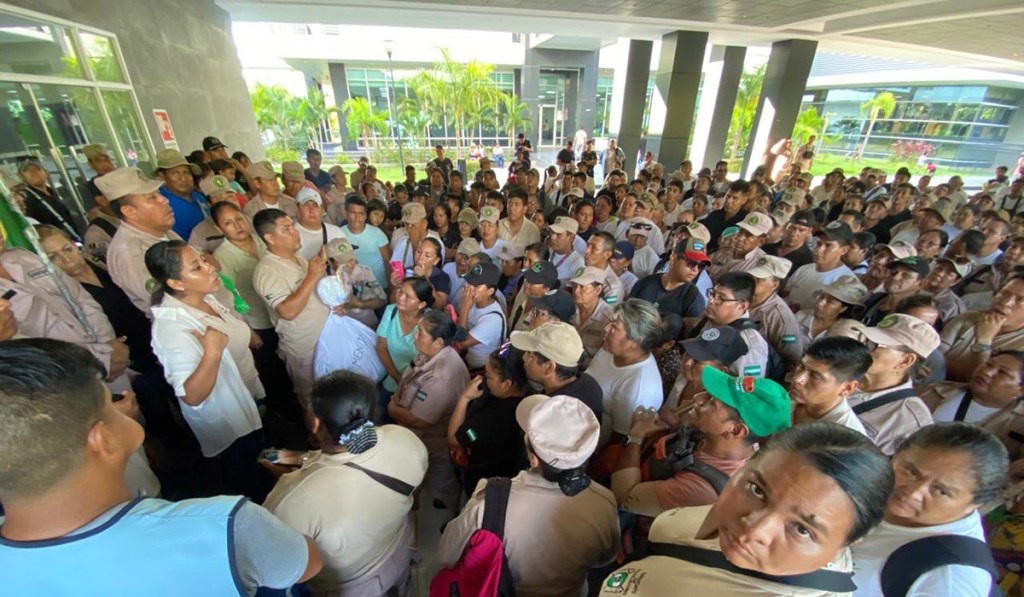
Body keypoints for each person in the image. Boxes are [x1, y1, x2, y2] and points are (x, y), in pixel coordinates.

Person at [0, 340, 323, 594]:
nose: (123, 407)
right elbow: (307, 563)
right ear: (102, 440)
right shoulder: (223, 525)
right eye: (111, 405)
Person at [599, 422, 893, 596]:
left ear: (848, 542)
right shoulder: (720, 514)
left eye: (803, 529)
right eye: (757, 490)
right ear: (744, 466)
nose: (754, 529)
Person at [437, 394, 620, 596]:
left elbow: (447, 554)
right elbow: (605, 557)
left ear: (533, 459)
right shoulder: (604, 501)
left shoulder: (491, 502)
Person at [264, 370, 425, 595]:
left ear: (315, 423)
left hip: (355, 585)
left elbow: (283, 562)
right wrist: (300, 459)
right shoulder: (404, 440)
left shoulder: (291, 499)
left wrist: (293, 476)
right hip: (400, 546)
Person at [146, 240, 270, 501]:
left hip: (246, 398)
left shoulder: (207, 297)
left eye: (203, 260)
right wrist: (212, 353)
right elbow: (191, 395)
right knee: (250, 477)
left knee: (263, 459)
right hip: (228, 420)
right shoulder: (171, 328)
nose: (209, 267)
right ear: (176, 284)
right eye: (197, 267)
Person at [611, 366, 790, 518]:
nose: (698, 399)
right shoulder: (733, 443)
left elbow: (623, 496)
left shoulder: (701, 488)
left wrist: (635, 436)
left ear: (736, 430)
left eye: (712, 403)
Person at [851, 423, 1007, 597]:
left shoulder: (950, 579)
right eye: (911, 472)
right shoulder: (871, 484)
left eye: (941, 491)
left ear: (975, 504)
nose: (914, 493)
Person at [389, 311, 469, 514]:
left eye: (421, 333)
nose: (415, 336)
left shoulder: (441, 377)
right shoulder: (429, 354)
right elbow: (409, 376)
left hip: (434, 441)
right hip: (418, 433)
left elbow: (419, 420)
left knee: (440, 482)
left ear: (438, 341)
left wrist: (392, 408)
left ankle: (451, 513)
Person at [252, 208, 331, 407]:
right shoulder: (267, 270)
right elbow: (287, 311)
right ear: (269, 237)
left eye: (292, 227)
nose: (295, 232)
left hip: (324, 341)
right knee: (311, 401)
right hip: (304, 348)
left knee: (330, 394)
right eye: (286, 229)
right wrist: (312, 276)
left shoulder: (301, 260)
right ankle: (318, 438)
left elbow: (315, 294)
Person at [846, 314, 940, 455]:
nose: (863, 348)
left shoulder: (910, 423)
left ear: (905, 361)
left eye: (874, 345)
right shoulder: (841, 374)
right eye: (865, 340)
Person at [448, 344, 530, 495]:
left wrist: (464, 398)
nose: (481, 379)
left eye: (488, 376)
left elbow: (455, 439)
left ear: (506, 384)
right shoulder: (527, 398)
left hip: (483, 482)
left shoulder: (489, 421)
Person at [100, 167, 182, 313]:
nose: (165, 200)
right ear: (130, 211)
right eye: (152, 198)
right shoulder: (132, 255)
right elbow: (169, 305)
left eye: (158, 193)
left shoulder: (161, 230)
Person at [587, 299, 664, 448]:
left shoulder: (639, 387)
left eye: (614, 326)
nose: (606, 328)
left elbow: (619, 440)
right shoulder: (611, 349)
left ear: (635, 340)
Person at [511, 321, 604, 420]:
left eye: (530, 354)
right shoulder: (589, 382)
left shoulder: (550, 412)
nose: (524, 358)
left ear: (549, 367)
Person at [941, 276, 1024, 382]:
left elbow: (982, 383)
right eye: (1003, 293)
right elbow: (930, 359)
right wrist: (964, 373)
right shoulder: (967, 318)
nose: (1005, 303)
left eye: (1021, 300)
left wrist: (984, 341)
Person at [692, 272, 771, 380]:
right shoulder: (710, 318)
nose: (711, 301)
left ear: (742, 306)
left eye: (721, 298)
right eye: (712, 294)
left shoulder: (747, 344)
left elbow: (744, 391)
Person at [789, 337, 871, 434]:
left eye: (815, 376)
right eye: (801, 367)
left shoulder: (845, 440)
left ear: (847, 388)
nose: (798, 379)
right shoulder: (783, 400)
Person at [376, 276, 432, 398]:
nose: (400, 297)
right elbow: (381, 347)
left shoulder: (430, 322)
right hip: (392, 377)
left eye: (408, 296)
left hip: (419, 384)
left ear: (421, 304)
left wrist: (407, 383)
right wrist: (396, 376)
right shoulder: (391, 311)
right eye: (400, 290)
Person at [784, 221, 857, 311]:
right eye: (819, 244)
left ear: (844, 250)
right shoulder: (804, 269)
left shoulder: (846, 280)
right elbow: (785, 294)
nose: (819, 250)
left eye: (828, 245)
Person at [747, 255, 805, 367]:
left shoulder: (779, 316)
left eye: (759, 280)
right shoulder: (744, 297)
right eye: (752, 277)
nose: (752, 282)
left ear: (774, 284)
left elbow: (792, 356)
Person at [456, 262, 506, 371]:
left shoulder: (493, 319)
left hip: (482, 370)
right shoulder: (474, 302)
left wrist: (464, 308)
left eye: (476, 286)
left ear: (490, 291)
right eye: (469, 283)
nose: (469, 288)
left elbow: (462, 343)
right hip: (467, 361)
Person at [795, 275, 868, 345]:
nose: (820, 303)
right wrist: (790, 341)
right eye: (821, 297)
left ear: (843, 308)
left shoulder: (844, 331)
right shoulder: (800, 316)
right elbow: (787, 337)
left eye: (829, 302)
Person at [152, 149, 209, 240]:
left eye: (186, 173)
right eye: (175, 173)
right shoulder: (160, 201)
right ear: (162, 175)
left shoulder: (198, 197)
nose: (183, 179)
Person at [17, 159, 82, 239]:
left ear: (46, 173)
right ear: (22, 177)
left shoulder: (52, 193)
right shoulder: (26, 197)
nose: (33, 173)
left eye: (37, 169)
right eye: (27, 171)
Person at [568, 266, 616, 366]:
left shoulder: (608, 319)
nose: (576, 291)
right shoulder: (568, 309)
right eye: (574, 286)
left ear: (598, 290)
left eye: (582, 287)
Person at [341, 195, 391, 287]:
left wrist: (390, 287)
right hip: (351, 286)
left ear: (365, 215)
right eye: (353, 213)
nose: (357, 217)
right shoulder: (339, 234)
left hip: (379, 287)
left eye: (361, 214)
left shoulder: (378, 233)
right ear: (346, 213)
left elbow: (387, 261)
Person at [294, 188, 344, 261]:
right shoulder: (290, 234)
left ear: (322, 209)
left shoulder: (336, 232)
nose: (311, 210)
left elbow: (348, 262)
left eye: (315, 205)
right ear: (297, 209)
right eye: (306, 205)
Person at [762, 209, 815, 273]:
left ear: (809, 232)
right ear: (786, 226)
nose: (794, 233)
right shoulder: (766, 248)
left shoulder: (807, 262)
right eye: (792, 227)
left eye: (801, 230)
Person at [548, 216, 585, 281]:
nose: (552, 237)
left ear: (571, 237)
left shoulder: (577, 263)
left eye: (558, 234)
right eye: (552, 232)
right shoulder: (549, 251)